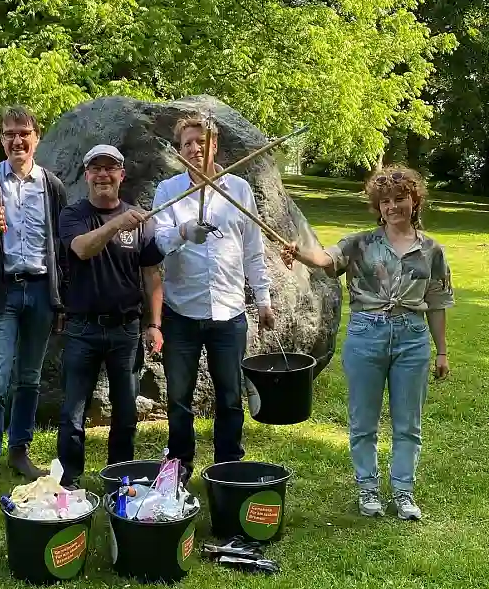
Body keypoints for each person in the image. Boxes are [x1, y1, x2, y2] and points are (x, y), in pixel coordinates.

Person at [281, 167, 453, 520]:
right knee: (364, 422)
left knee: (409, 424)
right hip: (366, 336)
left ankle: (403, 493)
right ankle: (368, 488)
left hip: (412, 338)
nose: (392, 207)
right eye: (385, 201)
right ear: (377, 206)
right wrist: (300, 254)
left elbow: (436, 303)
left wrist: (443, 351)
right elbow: (326, 260)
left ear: (414, 200)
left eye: (400, 199)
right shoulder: (359, 243)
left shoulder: (432, 250)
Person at [152, 115, 275, 481]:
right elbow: (157, 242)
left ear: (214, 146)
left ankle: (227, 467)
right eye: (188, 143)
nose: (195, 148)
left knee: (229, 396)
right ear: (179, 151)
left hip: (229, 312)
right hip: (181, 311)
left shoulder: (238, 190)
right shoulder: (168, 191)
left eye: (201, 142)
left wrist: (264, 299)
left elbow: (253, 249)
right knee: (178, 398)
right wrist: (184, 232)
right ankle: (179, 463)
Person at [0, 106, 67, 502]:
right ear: (1, 139)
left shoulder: (53, 186)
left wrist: (61, 302)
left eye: (23, 133)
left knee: (29, 378)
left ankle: (20, 451)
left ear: (36, 137)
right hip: (2, 292)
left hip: (42, 291)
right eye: (9, 134)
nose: (16, 141)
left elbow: (60, 245)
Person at [57, 145, 164, 488]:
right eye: (96, 169)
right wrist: (117, 224)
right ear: (86, 175)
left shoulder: (141, 221)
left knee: (126, 412)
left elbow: (152, 276)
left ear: (122, 175)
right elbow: (83, 249)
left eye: (111, 168)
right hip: (82, 328)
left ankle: (119, 477)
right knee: (73, 412)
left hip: (126, 330)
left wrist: (154, 323)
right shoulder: (73, 215)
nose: (103, 175)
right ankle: (70, 479)